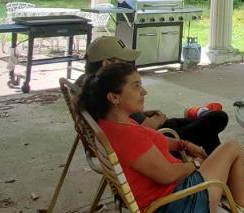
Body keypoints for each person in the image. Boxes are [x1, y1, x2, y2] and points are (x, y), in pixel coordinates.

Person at [81, 60, 244, 213]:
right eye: (136, 87)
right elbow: (167, 175)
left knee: (221, 153)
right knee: (233, 147)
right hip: (177, 211)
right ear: (114, 97)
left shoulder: (111, 123)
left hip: (165, 205)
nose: (144, 92)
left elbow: (156, 139)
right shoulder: (127, 136)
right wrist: (195, 165)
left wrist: (184, 145)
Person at [80, 36, 228, 153]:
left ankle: (223, 169)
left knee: (209, 127)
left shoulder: (88, 86)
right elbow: (142, 131)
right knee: (217, 119)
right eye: (124, 61)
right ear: (107, 64)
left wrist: (142, 113)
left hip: (152, 131)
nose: (129, 64)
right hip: (160, 138)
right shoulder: (109, 92)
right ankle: (223, 170)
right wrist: (157, 120)